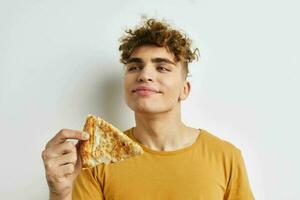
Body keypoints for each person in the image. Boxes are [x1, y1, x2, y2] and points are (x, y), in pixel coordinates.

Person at [42, 18, 255, 200]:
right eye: (135, 67)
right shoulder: (96, 161)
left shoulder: (225, 157)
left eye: (162, 67)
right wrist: (60, 194)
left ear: (184, 89)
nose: (144, 75)